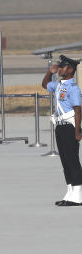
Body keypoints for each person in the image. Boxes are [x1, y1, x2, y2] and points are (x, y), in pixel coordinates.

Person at [42, 54, 82, 206]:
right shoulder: (58, 85)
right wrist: (49, 73)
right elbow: (45, 84)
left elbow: (78, 110)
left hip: (70, 127)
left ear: (70, 70)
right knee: (65, 161)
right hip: (60, 127)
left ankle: (78, 195)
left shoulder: (73, 88)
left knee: (72, 161)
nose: (59, 69)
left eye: (62, 67)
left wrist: (77, 131)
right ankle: (70, 193)